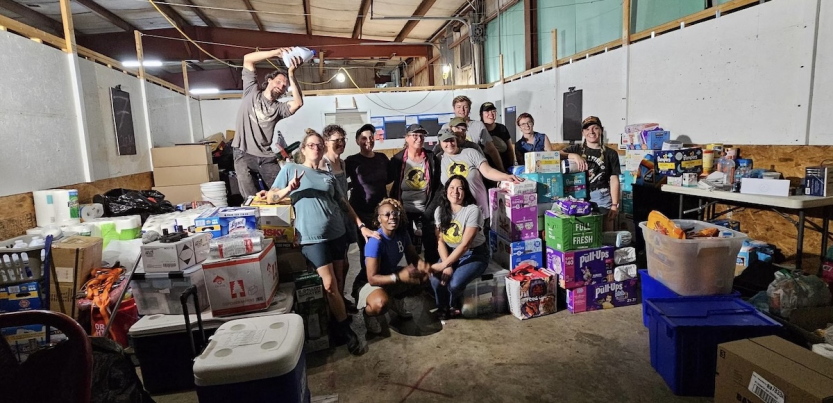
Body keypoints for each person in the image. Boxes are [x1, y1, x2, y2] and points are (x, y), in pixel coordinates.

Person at [260, 130, 380, 355]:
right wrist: (289, 189)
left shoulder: (328, 175)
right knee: (328, 284)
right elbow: (270, 198)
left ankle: (336, 320)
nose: (316, 148)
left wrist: (361, 225)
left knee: (339, 280)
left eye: (319, 146)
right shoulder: (290, 170)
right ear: (303, 149)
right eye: (312, 145)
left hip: (337, 233)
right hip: (311, 238)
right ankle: (346, 330)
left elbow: (343, 203)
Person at [232, 48, 305, 197]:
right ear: (269, 80)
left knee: (282, 192)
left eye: (284, 86)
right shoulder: (251, 91)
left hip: (266, 156)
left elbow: (298, 102)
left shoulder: (279, 109)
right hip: (243, 152)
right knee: (251, 197)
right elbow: (248, 59)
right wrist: (275, 52)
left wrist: (291, 74)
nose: (280, 86)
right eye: (278, 81)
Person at [352, 198, 430, 336]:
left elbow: (414, 258)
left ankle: (397, 300)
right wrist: (399, 277)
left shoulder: (402, 234)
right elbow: (372, 279)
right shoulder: (375, 242)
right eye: (387, 215)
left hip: (389, 275)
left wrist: (425, 267)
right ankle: (368, 314)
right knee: (381, 304)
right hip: (367, 283)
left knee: (423, 278)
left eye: (395, 214)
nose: (392, 217)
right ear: (379, 219)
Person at [430, 175, 490, 319]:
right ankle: (442, 307)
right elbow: (440, 242)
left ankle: (453, 305)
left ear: (465, 192)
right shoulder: (439, 211)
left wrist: (445, 264)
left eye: (460, 188)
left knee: (454, 283)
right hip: (450, 252)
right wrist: (447, 265)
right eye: (452, 187)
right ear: (446, 191)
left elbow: (465, 245)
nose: (455, 192)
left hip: (474, 253)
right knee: (434, 279)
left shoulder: (472, 210)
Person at [438, 130, 522, 225]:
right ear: (440, 143)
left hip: (478, 210)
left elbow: (488, 171)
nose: (449, 143)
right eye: (445, 141)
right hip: (456, 214)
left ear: (456, 140)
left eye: (451, 140)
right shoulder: (439, 159)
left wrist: (506, 177)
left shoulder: (470, 153)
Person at [389, 124, 441, 263]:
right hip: (404, 210)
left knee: (431, 247)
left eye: (421, 135)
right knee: (409, 248)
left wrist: (429, 211)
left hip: (426, 209)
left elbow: (437, 187)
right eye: (415, 135)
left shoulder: (431, 158)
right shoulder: (397, 159)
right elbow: (388, 181)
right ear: (406, 138)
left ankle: (431, 278)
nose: (419, 138)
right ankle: (415, 278)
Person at [561, 116, 621, 231]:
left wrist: (614, 205)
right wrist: (573, 155)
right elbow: (555, 155)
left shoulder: (611, 153)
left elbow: (614, 180)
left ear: (601, 130)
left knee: (606, 235)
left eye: (595, 128)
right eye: (587, 129)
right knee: (583, 234)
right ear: (583, 132)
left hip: (602, 197)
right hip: (578, 197)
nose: (591, 132)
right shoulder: (576, 149)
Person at [317, 125, 356, 303]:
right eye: (336, 140)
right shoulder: (322, 164)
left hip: (345, 216)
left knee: (345, 264)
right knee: (336, 266)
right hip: (332, 218)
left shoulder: (342, 163)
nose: (340, 143)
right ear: (326, 143)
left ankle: (341, 298)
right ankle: (336, 303)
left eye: (343, 140)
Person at [345, 124, 391, 273]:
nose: (368, 141)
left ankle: (383, 279)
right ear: (357, 140)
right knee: (367, 249)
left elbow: (389, 178)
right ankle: (366, 282)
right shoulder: (351, 161)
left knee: (384, 246)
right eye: (364, 138)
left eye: (371, 137)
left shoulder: (382, 158)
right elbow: (339, 180)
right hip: (362, 212)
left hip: (381, 213)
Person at [440, 96, 505, 172]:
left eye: (465, 107)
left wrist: (502, 170)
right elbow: (440, 151)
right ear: (454, 109)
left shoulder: (478, 126)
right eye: (458, 107)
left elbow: (491, 150)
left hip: (474, 169)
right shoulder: (445, 127)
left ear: (469, 109)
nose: (462, 110)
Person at [481, 102, 515, 170]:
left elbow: (510, 149)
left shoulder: (502, 128)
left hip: (505, 168)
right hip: (487, 170)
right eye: (487, 111)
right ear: (481, 114)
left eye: (493, 111)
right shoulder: (479, 129)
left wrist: (511, 166)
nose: (491, 114)